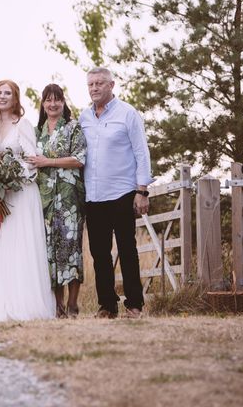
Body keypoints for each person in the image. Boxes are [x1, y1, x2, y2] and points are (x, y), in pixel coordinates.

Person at [0, 80, 56, 322]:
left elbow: (33, 162)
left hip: (21, 194)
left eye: (7, 93)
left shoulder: (24, 125)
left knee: (22, 246)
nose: (2, 96)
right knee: (1, 246)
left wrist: (9, 182)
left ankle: (26, 304)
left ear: (15, 98)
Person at [78, 67, 153, 319]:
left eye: (100, 83)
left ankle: (134, 305)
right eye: (90, 84)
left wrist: (142, 191)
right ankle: (107, 306)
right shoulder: (84, 118)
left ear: (112, 85)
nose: (94, 88)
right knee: (99, 254)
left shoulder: (128, 114)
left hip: (122, 192)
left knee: (127, 250)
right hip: (94, 195)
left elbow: (142, 153)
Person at [26, 83, 86, 318]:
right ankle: (57, 306)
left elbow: (79, 159)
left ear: (63, 102)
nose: (53, 104)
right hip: (43, 200)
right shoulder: (35, 131)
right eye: (48, 100)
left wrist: (48, 162)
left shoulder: (73, 128)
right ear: (42, 104)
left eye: (57, 100)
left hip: (69, 199)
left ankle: (73, 304)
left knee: (70, 250)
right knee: (48, 252)